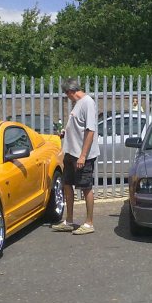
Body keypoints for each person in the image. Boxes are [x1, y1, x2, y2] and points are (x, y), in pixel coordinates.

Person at [51, 78, 100, 235]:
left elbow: (90, 130)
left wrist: (83, 156)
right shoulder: (77, 104)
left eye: (67, 94)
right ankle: (69, 220)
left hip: (81, 155)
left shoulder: (87, 103)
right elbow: (77, 126)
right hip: (71, 152)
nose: (67, 97)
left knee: (86, 187)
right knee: (67, 184)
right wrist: (65, 132)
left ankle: (89, 223)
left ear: (71, 92)